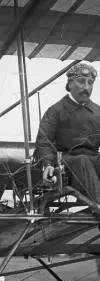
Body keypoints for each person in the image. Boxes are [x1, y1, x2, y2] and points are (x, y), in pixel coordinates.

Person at [34, 62, 100, 213]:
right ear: (70, 83)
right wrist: (47, 164)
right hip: (66, 161)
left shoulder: (97, 112)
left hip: (93, 160)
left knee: (87, 160)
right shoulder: (56, 111)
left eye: (90, 82)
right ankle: (98, 206)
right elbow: (44, 142)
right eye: (81, 81)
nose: (87, 87)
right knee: (82, 160)